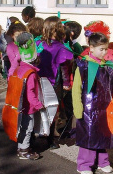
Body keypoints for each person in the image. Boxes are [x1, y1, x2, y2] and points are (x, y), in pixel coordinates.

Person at [72, 32, 113, 174]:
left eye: (106, 49)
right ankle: (84, 165)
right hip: (88, 109)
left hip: (104, 109)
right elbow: (76, 88)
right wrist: (78, 108)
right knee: (89, 136)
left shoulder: (108, 67)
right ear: (91, 48)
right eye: (101, 49)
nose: (104, 52)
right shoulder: (83, 65)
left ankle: (102, 161)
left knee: (103, 135)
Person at [35, 16, 73, 149]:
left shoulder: (39, 43)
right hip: (53, 82)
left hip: (38, 80)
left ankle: (40, 132)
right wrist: (67, 83)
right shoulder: (61, 47)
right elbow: (64, 67)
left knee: (40, 106)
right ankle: (50, 139)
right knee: (52, 109)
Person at [5, 32, 42, 160]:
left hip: (20, 106)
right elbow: (30, 92)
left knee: (23, 127)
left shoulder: (20, 68)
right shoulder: (30, 73)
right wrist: (39, 105)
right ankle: (24, 150)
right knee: (27, 128)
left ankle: (22, 147)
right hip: (28, 107)